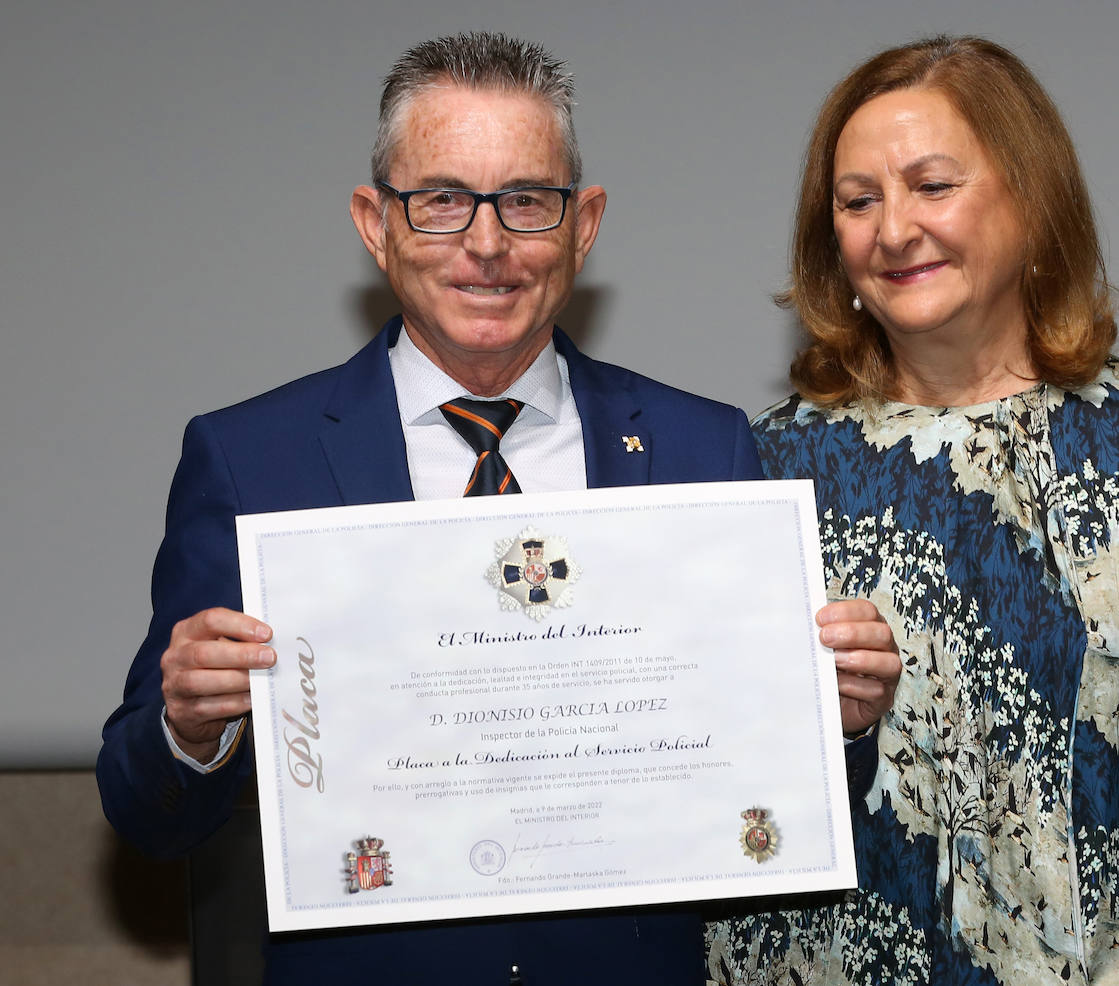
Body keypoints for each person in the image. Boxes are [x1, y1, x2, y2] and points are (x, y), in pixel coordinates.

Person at [96, 33, 898, 986]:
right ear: (374, 222)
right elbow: (145, 814)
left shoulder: (702, 447)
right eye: (440, 200)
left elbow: (770, 804)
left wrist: (834, 721)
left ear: (584, 224)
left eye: (527, 201)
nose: (487, 243)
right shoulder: (250, 460)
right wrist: (190, 729)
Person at [706, 35, 1119, 986]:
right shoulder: (764, 467)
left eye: (932, 185)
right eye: (858, 201)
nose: (894, 229)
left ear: (1032, 201)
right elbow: (710, 775)